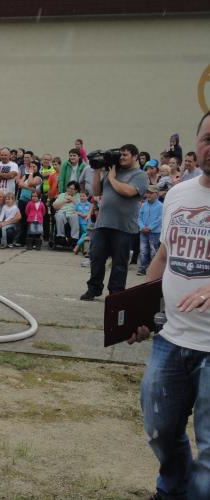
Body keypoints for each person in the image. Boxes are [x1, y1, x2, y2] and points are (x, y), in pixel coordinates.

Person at [128, 111, 210, 500]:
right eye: (208, 138)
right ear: (196, 143)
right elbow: (163, 256)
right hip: (172, 338)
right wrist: (144, 308)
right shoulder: (178, 194)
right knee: (159, 431)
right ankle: (174, 488)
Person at [80, 144, 148, 300]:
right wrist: (97, 170)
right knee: (96, 258)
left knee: (119, 263)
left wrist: (111, 177)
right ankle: (94, 288)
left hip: (123, 226)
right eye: (121, 155)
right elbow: (97, 192)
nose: (122, 157)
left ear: (135, 157)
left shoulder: (139, 175)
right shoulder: (113, 171)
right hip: (103, 223)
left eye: (125, 155)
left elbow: (129, 191)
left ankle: (115, 293)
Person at [136, 185, 163, 275]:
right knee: (143, 250)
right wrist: (142, 226)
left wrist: (150, 227)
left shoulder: (161, 206)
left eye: (151, 193)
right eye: (147, 193)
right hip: (143, 231)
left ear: (157, 194)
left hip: (154, 232)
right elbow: (139, 217)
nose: (148, 195)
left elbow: (160, 219)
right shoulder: (144, 205)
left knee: (153, 251)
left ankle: (152, 269)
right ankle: (142, 269)